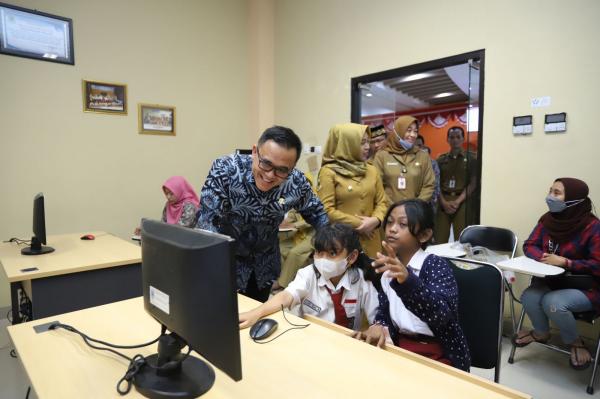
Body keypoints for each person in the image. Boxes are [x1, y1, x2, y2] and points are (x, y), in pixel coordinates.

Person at [197, 126, 329, 302]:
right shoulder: (226, 169)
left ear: (292, 167)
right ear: (254, 152)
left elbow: (318, 215)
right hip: (223, 264)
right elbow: (207, 221)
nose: (270, 175)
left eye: (282, 170)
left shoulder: (297, 183)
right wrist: (213, 267)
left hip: (263, 269)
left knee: (255, 318)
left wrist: (331, 249)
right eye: (266, 163)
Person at [353, 199, 471, 371]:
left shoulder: (435, 265)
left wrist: (408, 281)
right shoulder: (388, 267)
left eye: (402, 224)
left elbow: (441, 315)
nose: (392, 229)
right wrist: (378, 324)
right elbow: (385, 310)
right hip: (400, 346)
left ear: (424, 235)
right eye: (390, 222)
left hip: (438, 352)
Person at [514, 178, 600, 370]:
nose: (550, 197)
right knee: (528, 296)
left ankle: (575, 342)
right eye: (550, 191)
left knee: (553, 303)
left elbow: (597, 264)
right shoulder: (547, 220)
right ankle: (542, 333)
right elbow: (530, 245)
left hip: (586, 287)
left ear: (575, 200)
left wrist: (566, 262)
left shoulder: (593, 227)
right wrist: (544, 257)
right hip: (553, 282)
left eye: (557, 193)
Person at [239, 223, 379, 330]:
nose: (323, 259)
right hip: (311, 338)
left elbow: (377, 319)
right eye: (319, 252)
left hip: (347, 343)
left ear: (352, 257)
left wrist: (375, 329)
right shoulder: (308, 274)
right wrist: (256, 313)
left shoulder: (361, 279)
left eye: (332, 253)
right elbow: (286, 296)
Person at [317, 123, 389, 258]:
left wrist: (376, 220)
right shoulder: (328, 172)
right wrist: (361, 224)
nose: (368, 147)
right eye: (362, 143)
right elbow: (326, 210)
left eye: (368, 142)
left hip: (372, 240)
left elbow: (382, 202)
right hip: (342, 242)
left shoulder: (371, 170)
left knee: (373, 277)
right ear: (347, 144)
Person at [372, 116, 435, 204]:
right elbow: (377, 186)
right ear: (398, 131)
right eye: (408, 130)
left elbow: (429, 185)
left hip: (415, 212)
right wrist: (393, 208)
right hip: (389, 211)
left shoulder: (422, 156)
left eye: (415, 131)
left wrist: (416, 206)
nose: (413, 135)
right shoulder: (382, 155)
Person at [434, 126, 477, 243]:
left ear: (463, 139)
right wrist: (443, 202)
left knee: (462, 238)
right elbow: (436, 183)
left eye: (458, 137)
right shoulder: (440, 160)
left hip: (463, 200)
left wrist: (457, 202)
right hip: (444, 200)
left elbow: (473, 183)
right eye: (452, 137)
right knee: (440, 237)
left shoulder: (471, 158)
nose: (455, 140)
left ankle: (460, 261)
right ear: (447, 139)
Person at [133, 176, 199, 235]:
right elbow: (163, 225)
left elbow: (179, 230)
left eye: (171, 193)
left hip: (186, 242)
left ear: (179, 191)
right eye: (166, 193)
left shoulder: (189, 206)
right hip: (171, 240)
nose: (168, 197)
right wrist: (145, 230)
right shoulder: (169, 204)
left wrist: (152, 231)